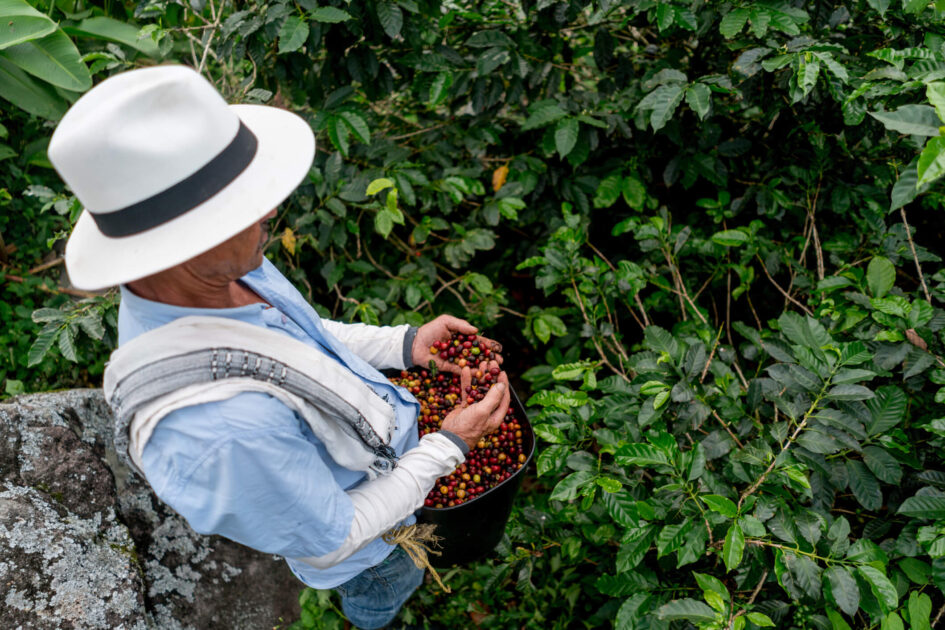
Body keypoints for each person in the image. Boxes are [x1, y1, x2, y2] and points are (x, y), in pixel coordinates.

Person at [48, 65, 511, 629]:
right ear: (180, 244)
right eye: (246, 206)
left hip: (396, 464)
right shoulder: (220, 429)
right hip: (369, 550)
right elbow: (332, 537)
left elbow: (302, 334)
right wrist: (448, 447)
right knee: (383, 592)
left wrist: (405, 345)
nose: (269, 212)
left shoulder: (219, 272)